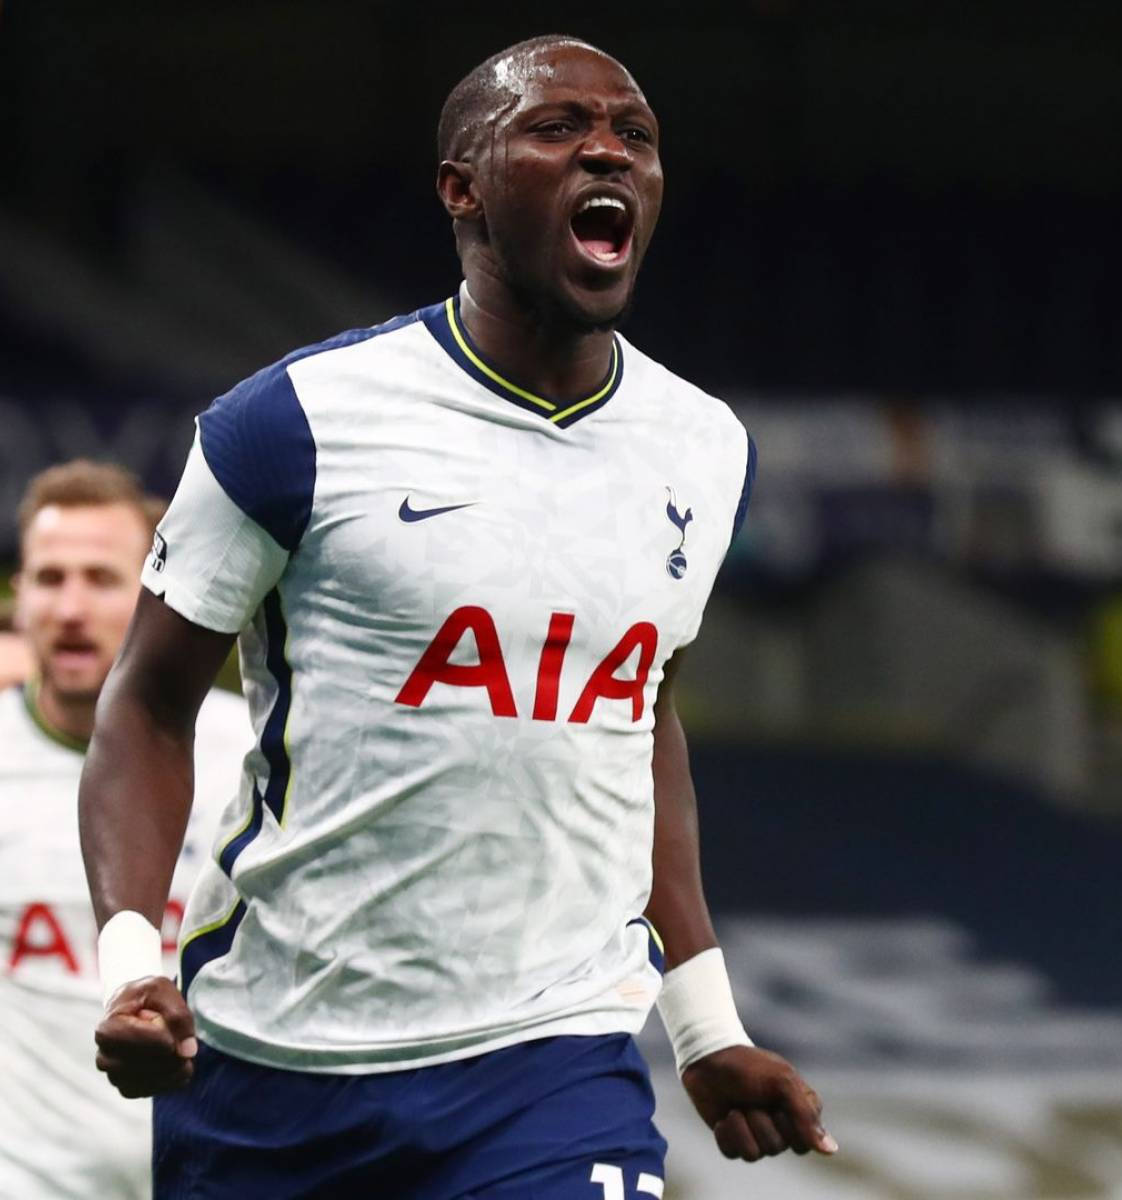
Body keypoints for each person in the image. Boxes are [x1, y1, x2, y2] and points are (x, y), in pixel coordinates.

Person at [80, 34, 838, 1197]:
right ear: (462, 187)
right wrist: (131, 963)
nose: (607, 150)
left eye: (634, 134)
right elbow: (147, 703)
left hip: (549, 1065)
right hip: (273, 1067)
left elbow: (639, 724)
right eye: (556, 127)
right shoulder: (291, 424)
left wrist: (702, 1025)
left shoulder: (706, 447)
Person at [1, 461, 249, 1198]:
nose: (70, 607)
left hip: (226, 1174)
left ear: (152, 596)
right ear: (18, 599)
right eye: (50, 578)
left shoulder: (251, 752)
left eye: (101, 579)